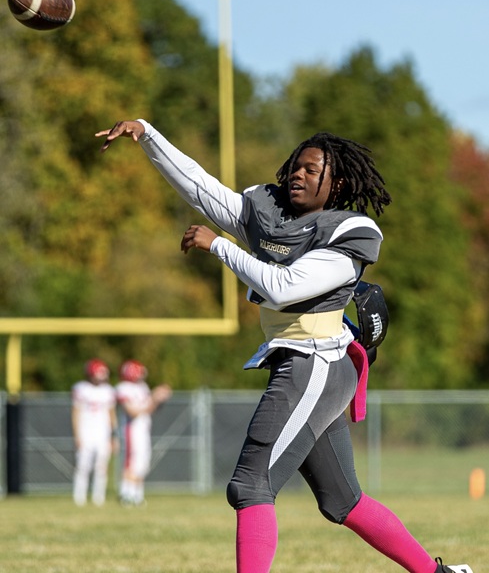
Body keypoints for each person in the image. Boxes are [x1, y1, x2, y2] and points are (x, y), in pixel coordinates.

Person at [96, 120, 473, 573]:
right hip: (302, 361)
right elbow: (201, 189)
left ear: (339, 183)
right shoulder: (270, 213)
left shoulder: (349, 232)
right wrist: (149, 136)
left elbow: (283, 286)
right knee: (343, 500)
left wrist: (220, 246)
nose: (298, 174)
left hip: (315, 362)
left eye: (313, 170)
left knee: (250, 484)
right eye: (296, 166)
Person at [115, 359, 172, 506]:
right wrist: (154, 397)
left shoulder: (142, 387)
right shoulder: (123, 387)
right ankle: (126, 494)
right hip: (131, 430)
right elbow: (132, 411)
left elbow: (148, 409)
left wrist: (158, 399)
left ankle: (137, 495)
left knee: (142, 464)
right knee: (131, 462)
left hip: (143, 430)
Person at [71, 358, 117, 506]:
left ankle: (99, 498)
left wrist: (114, 436)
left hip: (102, 433)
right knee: (83, 465)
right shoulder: (81, 388)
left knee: (101, 466)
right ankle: (79, 498)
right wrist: (77, 434)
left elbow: (111, 414)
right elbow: (76, 412)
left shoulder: (108, 391)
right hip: (86, 432)